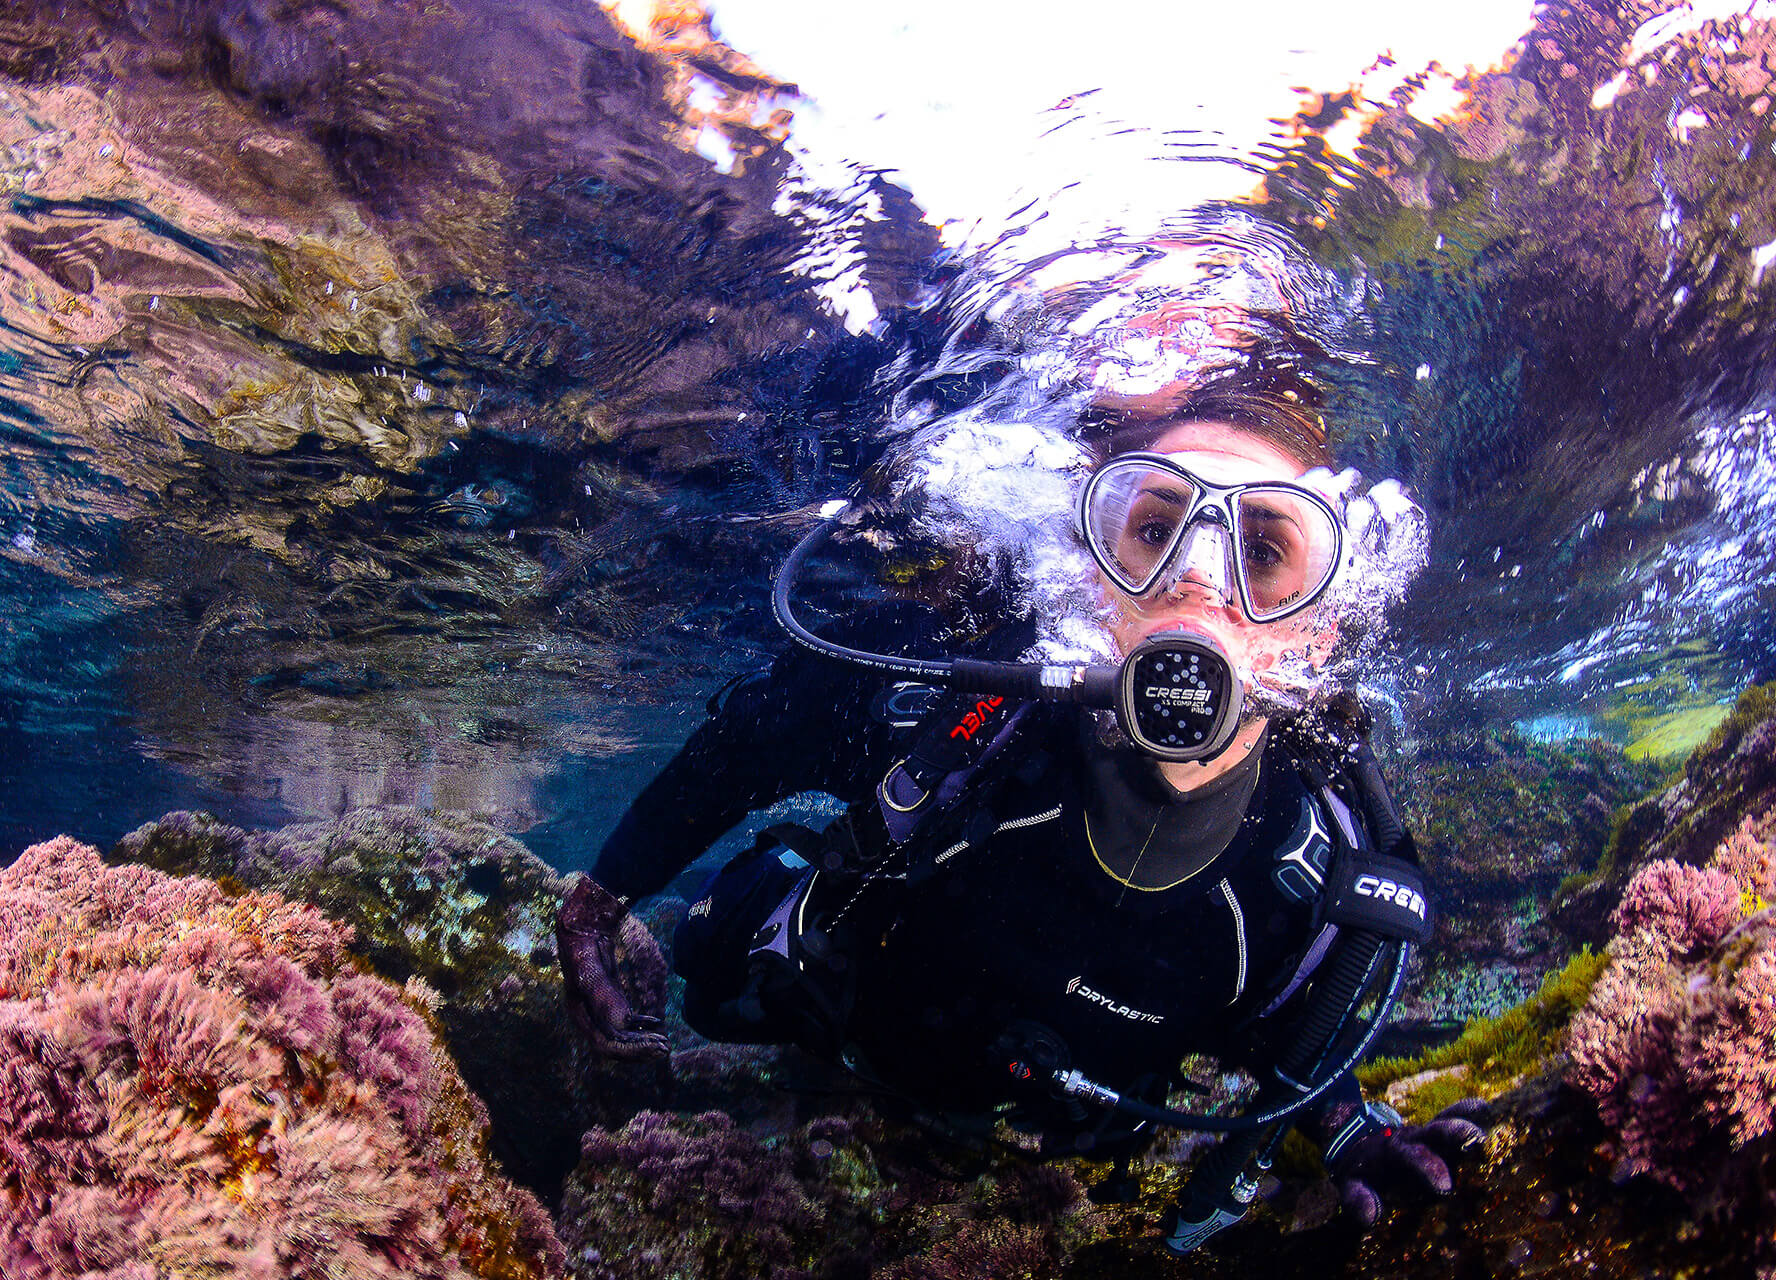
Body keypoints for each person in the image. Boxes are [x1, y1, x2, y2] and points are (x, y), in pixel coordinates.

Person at [556, 381, 1484, 1245]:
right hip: (848, 1033)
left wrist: (1344, 1124)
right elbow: (750, 741)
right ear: (1090, 576)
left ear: (1316, 628)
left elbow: (1283, 1023)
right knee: (711, 969)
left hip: (1052, 1130)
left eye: (1266, 551)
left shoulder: (1308, 869)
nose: (1198, 582)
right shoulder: (959, 722)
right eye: (1157, 530)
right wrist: (602, 896)